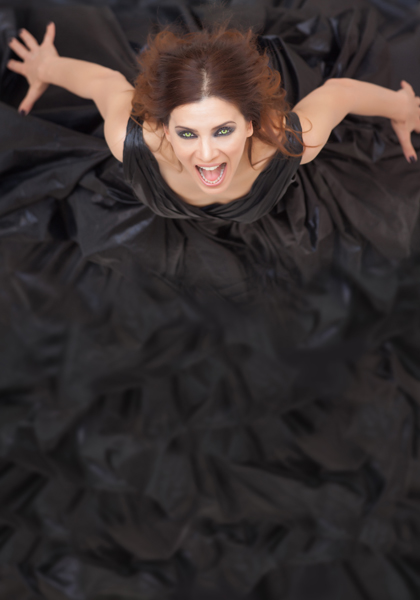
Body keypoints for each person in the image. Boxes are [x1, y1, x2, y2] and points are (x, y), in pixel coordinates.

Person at [1, 1, 420, 599]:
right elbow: (102, 82)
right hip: (165, 236)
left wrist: (405, 108)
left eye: (222, 130)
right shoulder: (132, 139)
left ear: (252, 124)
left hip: (270, 225)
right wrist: (46, 67)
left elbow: (340, 92)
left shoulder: (289, 140)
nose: (205, 156)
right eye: (188, 133)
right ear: (163, 126)